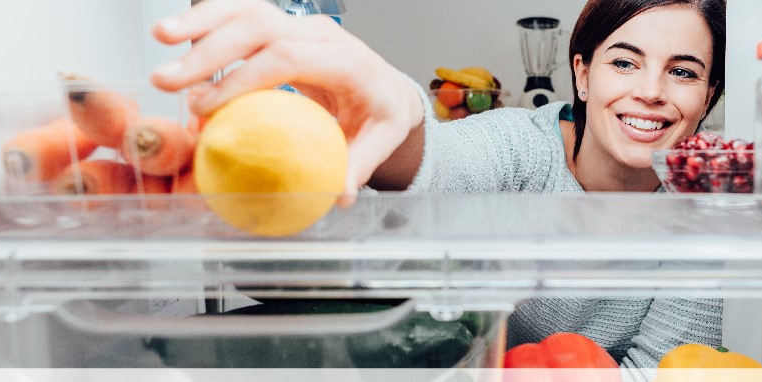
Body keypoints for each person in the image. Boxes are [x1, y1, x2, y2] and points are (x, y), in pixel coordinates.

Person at [150, 0, 726, 378]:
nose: (651, 91)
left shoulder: (703, 209)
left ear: (708, 94)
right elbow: (440, 165)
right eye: (624, 63)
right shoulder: (521, 146)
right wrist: (400, 118)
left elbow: (666, 368)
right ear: (581, 72)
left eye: (683, 71)